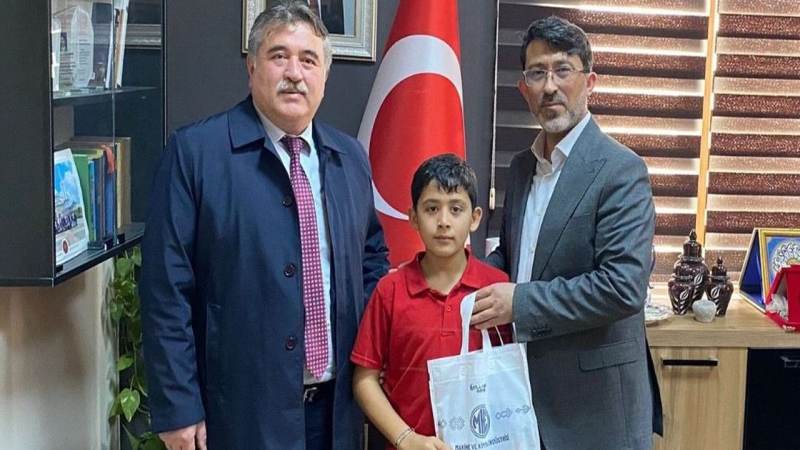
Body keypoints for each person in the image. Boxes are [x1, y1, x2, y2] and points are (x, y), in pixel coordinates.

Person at [139, 2, 389, 449]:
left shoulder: (349, 157)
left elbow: (372, 258)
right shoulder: (196, 154)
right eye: (279, 56)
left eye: (308, 60)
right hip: (240, 414)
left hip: (337, 413)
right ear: (252, 67)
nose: (294, 73)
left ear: (325, 75)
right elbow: (165, 290)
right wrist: (178, 406)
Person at [470, 16, 663, 450]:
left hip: (597, 414)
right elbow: (515, 257)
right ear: (523, 88)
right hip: (523, 401)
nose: (550, 86)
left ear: (589, 82)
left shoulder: (621, 171)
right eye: (537, 73)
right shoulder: (521, 167)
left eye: (562, 70)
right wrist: (455, 278)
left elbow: (622, 287)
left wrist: (519, 302)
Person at [351, 154, 512, 450]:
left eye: (456, 209)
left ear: (475, 218)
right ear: (413, 217)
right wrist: (406, 438)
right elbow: (365, 380)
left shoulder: (497, 290)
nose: (443, 222)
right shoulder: (390, 290)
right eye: (431, 209)